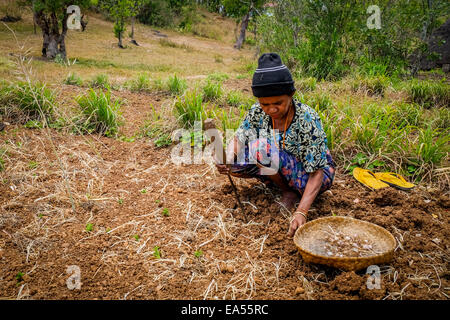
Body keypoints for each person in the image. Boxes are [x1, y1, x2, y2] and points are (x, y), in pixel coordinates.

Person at [215, 53, 336, 237]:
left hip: (312, 175)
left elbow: (317, 172)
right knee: (235, 164)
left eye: (278, 103)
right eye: (265, 104)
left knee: (260, 147)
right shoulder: (257, 112)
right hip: (279, 164)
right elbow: (239, 138)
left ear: (291, 94)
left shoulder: (307, 118)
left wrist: (302, 211)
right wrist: (226, 158)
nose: (271, 109)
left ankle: (293, 193)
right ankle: (286, 189)